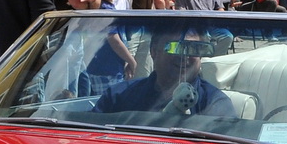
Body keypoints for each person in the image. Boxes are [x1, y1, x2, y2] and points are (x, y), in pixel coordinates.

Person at [94, 26, 234, 117]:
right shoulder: (117, 97)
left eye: (193, 48)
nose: (184, 56)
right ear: (154, 51)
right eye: (174, 47)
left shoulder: (215, 104)